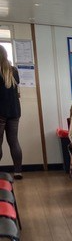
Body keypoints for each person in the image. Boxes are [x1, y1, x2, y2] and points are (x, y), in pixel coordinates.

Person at [0, 45, 23, 179]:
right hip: (14, 111)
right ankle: (18, 171)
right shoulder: (13, 70)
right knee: (14, 141)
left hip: (1, 112)